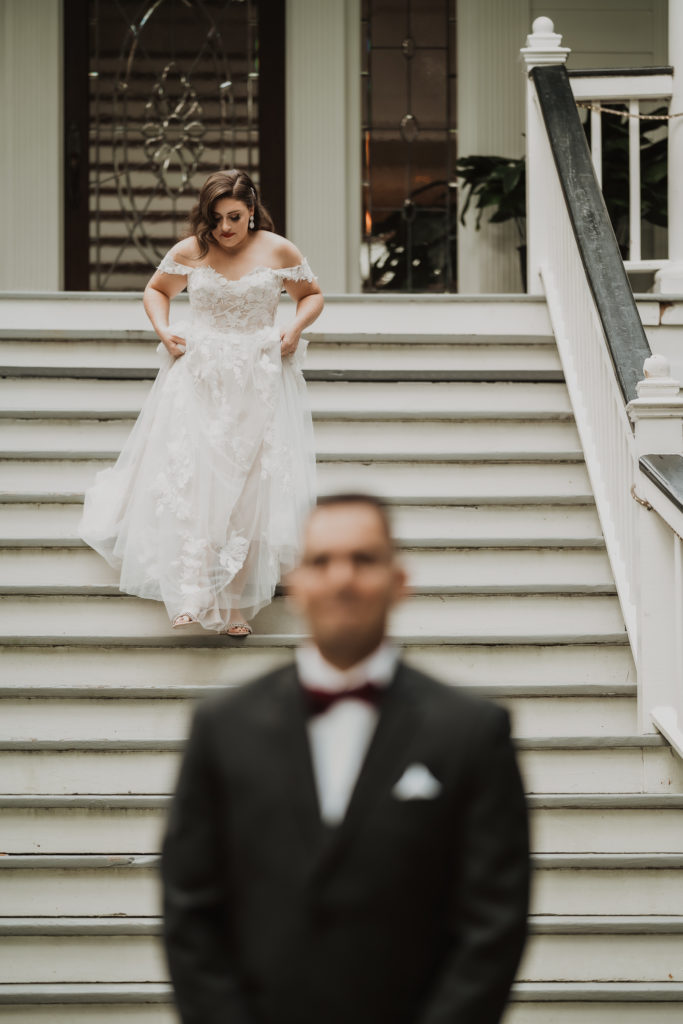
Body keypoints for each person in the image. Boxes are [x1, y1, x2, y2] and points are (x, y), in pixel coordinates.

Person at [161, 492, 530, 1024]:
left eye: (364, 559)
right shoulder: (223, 728)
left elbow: (494, 920)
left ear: (400, 581)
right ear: (297, 585)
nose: (343, 579)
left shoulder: (472, 732)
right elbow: (190, 910)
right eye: (322, 562)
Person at [79, 169, 323, 636]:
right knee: (195, 479)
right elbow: (156, 290)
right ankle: (189, 591)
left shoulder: (278, 250)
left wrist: (293, 328)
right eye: (215, 219)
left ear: (252, 210)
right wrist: (164, 329)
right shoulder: (191, 250)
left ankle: (233, 602)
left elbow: (311, 295)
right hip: (200, 375)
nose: (225, 228)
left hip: (258, 375)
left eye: (234, 217)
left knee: (250, 486)